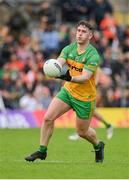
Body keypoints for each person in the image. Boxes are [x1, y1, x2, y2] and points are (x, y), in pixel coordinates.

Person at [25, 20, 105, 163]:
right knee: (48, 118)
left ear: (90, 35)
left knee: (82, 132)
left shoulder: (93, 55)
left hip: (85, 98)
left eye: (83, 32)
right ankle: (42, 151)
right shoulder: (68, 49)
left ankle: (98, 145)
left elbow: (85, 77)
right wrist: (53, 67)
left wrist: (67, 76)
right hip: (68, 92)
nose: (79, 34)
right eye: (78, 30)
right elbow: (59, 62)